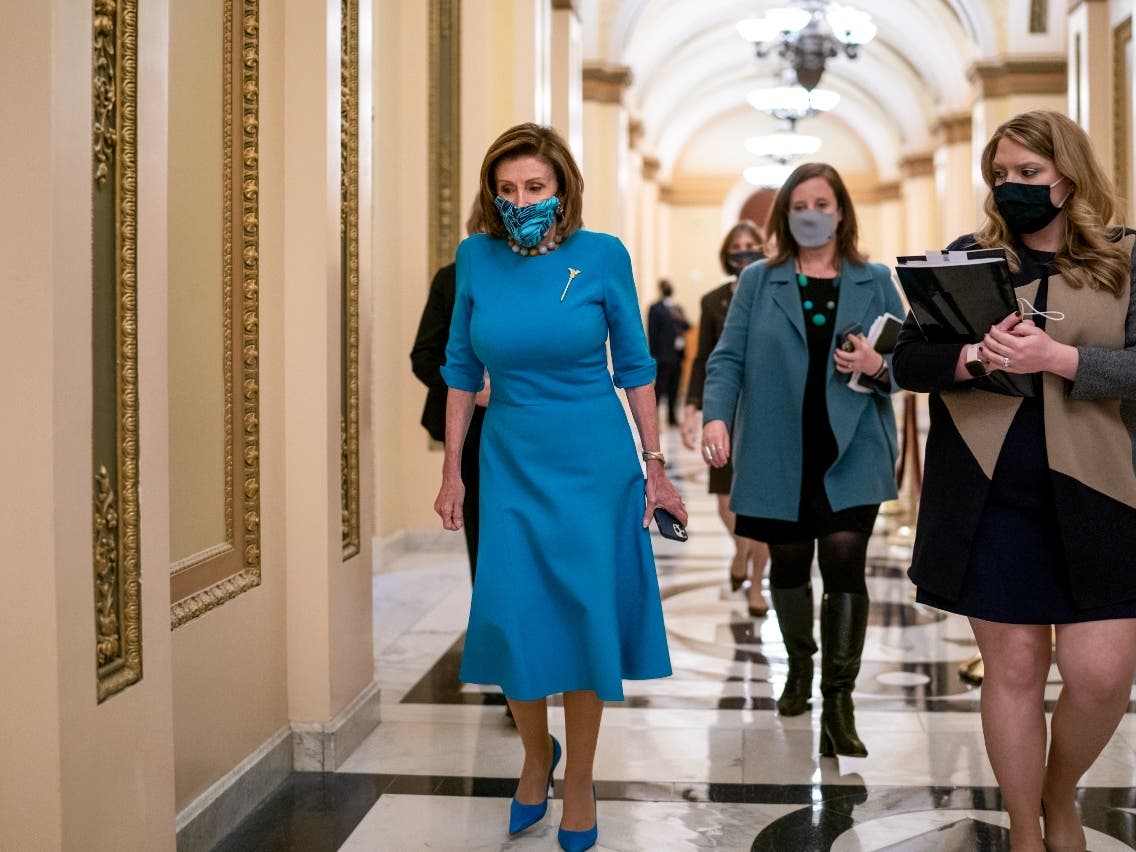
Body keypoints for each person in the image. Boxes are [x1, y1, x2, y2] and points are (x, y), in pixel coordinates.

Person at [434, 122, 686, 852]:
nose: (520, 200)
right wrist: (452, 469)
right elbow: (459, 368)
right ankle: (536, 755)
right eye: (507, 189)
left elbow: (635, 365)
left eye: (534, 187)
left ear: (562, 189)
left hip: (593, 462)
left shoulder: (602, 255)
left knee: (582, 616)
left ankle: (581, 781)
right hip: (508, 458)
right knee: (513, 614)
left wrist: (656, 467)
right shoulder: (475, 258)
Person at [892, 109, 1136, 852]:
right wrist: (973, 359)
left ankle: (1060, 796)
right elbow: (907, 361)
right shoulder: (966, 260)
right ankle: (1028, 831)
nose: (1013, 188)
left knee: (1102, 674)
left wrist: (1057, 360)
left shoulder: (1125, 261)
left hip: (1101, 491)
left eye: (1029, 173)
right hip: (989, 496)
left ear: (1070, 175)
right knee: (1016, 668)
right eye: (1001, 175)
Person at [701, 163, 903, 757]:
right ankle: (799, 670)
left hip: (853, 449)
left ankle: (840, 702)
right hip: (774, 449)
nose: (811, 213)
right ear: (785, 216)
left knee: (845, 569)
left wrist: (876, 366)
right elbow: (727, 358)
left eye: (822, 202)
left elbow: (906, 364)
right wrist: (715, 414)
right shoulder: (760, 281)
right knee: (788, 568)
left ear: (841, 210)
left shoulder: (877, 280)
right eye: (799, 205)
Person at [681, 221, 771, 616]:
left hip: (767, 407)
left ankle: (756, 587)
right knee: (725, 504)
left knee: (764, 504)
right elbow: (704, 358)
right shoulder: (713, 300)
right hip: (725, 408)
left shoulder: (775, 291)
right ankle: (741, 555)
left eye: (752, 245)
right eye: (738, 246)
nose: (745, 251)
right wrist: (692, 406)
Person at [410, 201, 488, 581]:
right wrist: (474, 391)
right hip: (473, 432)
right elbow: (423, 356)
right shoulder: (451, 278)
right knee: (481, 532)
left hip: (527, 424)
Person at [646, 279, 690, 426]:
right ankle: (654, 417)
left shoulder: (677, 307)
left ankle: (672, 417)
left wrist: (680, 318)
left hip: (677, 354)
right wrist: (654, 355)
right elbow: (652, 332)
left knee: (674, 387)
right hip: (663, 355)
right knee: (660, 388)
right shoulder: (655, 308)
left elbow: (687, 326)